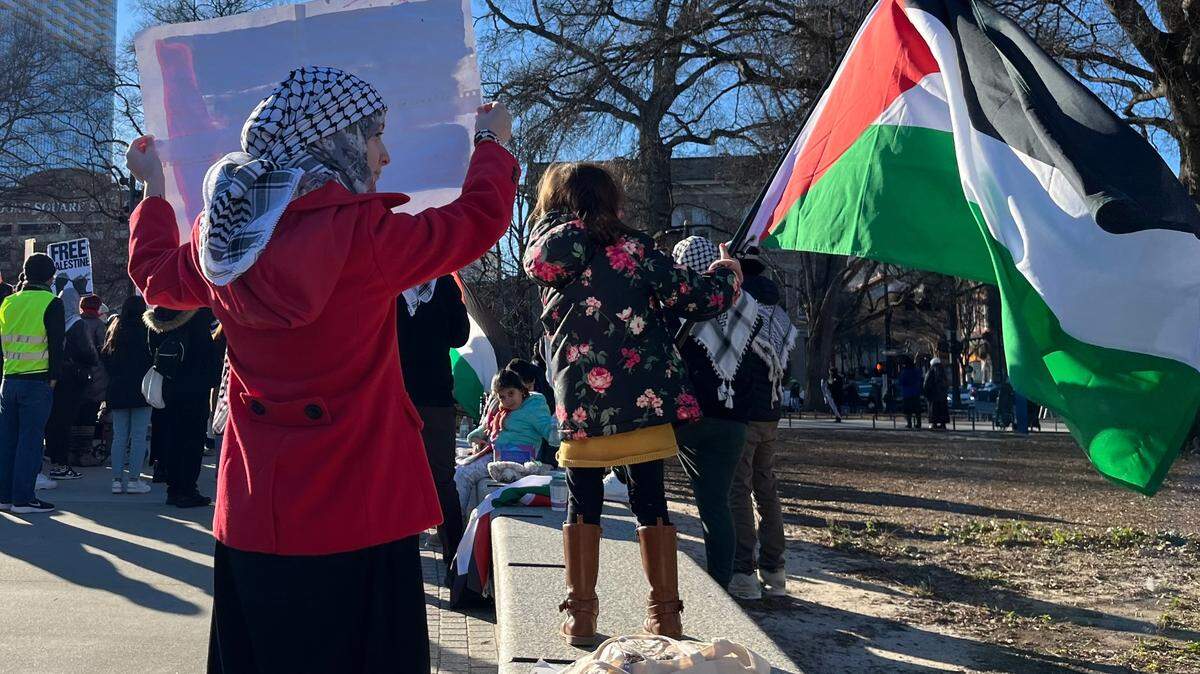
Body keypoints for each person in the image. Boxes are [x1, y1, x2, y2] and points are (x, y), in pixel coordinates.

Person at [124, 66, 516, 673]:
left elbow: (152, 275)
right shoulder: (367, 235)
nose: (383, 155)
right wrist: (492, 145)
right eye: (371, 136)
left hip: (258, 510)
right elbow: (477, 222)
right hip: (363, 507)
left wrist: (152, 193)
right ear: (333, 143)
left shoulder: (219, 244)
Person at [524, 163, 739, 644]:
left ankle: (580, 616)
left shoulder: (544, 254)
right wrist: (726, 273)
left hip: (580, 402)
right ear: (607, 200)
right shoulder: (634, 249)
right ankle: (665, 614)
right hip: (642, 399)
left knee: (582, 502)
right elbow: (697, 297)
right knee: (650, 499)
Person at [671, 236, 757, 590]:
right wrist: (731, 271)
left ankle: (663, 577)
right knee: (716, 504)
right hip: (734, 420)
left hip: (687, 417)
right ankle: (723, 580)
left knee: (645, 490)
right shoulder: (748, 309)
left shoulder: (681, 307)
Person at [727, 251, 795, 601]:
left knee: (739, 489)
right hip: (771, 412)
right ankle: (775, 568)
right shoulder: (780, 316)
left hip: (744, 411)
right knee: (767, 489)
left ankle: (743, 571)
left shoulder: (743, 309)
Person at [396, 273, 470, 573]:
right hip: (436, 397)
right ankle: (457, 566)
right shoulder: (444, 283)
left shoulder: (389, 281)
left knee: (397, 483)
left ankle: (400, 569)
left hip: (394, 396)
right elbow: (460, 336)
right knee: (441, 482)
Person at [0, 254, 65, 514]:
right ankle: (24, 499)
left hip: (9, 379)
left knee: (7, 442)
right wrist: (53, 378)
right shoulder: (51, 302)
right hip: (37, 380)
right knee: (31, 441)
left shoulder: (7, 302)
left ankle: (4, 496)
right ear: (50, 277)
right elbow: (56, 345)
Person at [456, 370, 558, 514]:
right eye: (502, 397)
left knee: (462, 474)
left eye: (511, 393)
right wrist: (475, 440)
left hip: (518, 459)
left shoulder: (534, 407)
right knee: (458, 471)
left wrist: (559, 419)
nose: (507, 400)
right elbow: (484, 429)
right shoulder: (501, 410)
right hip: (496, 455)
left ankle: (453, 526)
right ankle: (461, 523)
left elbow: (553, 436)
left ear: (522, 390)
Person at [146, 306, 218, 507]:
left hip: (169, 385)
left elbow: (153, 352)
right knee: (192, 440)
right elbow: (207, 353)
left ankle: (173, 487)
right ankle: (187, 489)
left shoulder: (156, 320)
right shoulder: (198, 318)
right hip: (195, 387)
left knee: (172, 437)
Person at [44, 292, 105, 480]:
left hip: (52, 376)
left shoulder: (51, 321)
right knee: (66, 420)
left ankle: (52, 454)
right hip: (73, 378)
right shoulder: (77, 324)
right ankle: (62, 463)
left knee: (54, 419)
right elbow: (90, 354)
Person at [102, 295, 153, 494]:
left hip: (117, 387)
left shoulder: (115, 328)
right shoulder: (147, 330)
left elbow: (105, 357)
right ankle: (134, 479)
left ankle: (116, 479)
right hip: (141, 388)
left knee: (119, 436)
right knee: (139, 436)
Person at [924, 357, 950, 430]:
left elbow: (926, 383)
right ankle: (943, 424)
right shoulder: (943, 371)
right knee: (943, 410)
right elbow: (947, 383)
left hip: (933, 395)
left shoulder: (931, 370)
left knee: (933, 410)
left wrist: (926, 393)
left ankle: (934, 424)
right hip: (942, 395)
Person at [899, 357, 924, 429]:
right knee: (917, 410)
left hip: (907, 393)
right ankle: (918, 423)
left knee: (907, 410)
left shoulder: (904, 372)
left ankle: (909, 423)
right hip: (916, 392)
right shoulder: (917, 371)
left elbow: (901, 381)